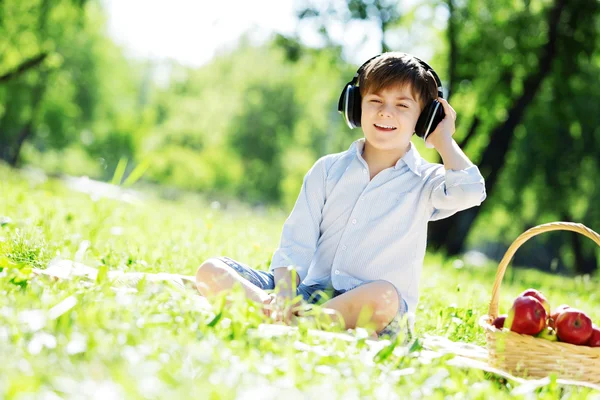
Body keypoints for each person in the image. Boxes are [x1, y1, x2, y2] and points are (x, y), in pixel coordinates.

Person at [195, 52, 486, 341]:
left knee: (384, 295)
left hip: (374, 309)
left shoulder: (427, 181)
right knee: (211, 270)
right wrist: (284, 294)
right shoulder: (328, 170)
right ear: (355, 106)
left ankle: (291, 323)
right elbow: (296, 243)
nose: (386, 112)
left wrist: (443, 140)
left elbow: (471, 192)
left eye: (402, 105)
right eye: (375, 101)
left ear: (424, 119)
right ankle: (293, 318)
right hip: (310, 293)